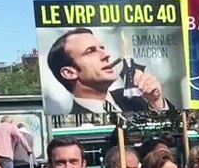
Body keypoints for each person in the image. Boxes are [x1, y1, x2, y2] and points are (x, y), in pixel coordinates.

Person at [46, 28, 176, 117]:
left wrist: (156, 101)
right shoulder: (74, 118)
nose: (106, 55)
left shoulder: (136, 99)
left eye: (102, 48)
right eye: (90, 51)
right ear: (69, 73)